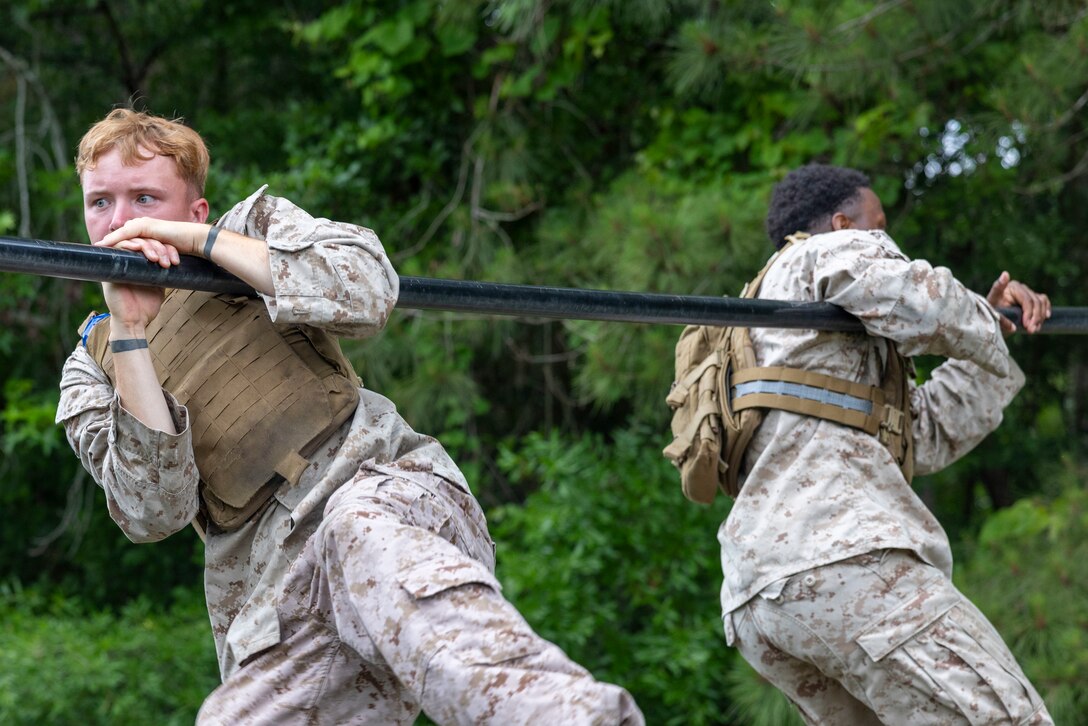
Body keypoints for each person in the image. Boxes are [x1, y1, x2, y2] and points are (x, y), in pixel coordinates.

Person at [55, 108, 643, 725]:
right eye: (101, 203)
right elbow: (155, 511)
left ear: (195, 210)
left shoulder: (250, 230)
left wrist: (203, 250)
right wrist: (129, 331)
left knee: (356, 530)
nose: (121, 222)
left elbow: (369, 288)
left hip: (382, 502)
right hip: (276, 598)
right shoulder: (91, 368)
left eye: (145, 198)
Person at [718, 163, 1054, 724]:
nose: (884, 241)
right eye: (878, 227)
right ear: (843, 224)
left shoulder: (788, 333)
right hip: (843, 559)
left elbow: (922, 433)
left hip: (764, 596)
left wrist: (989, 328)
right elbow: (920, 300)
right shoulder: (816, 254)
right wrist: (979, 315)